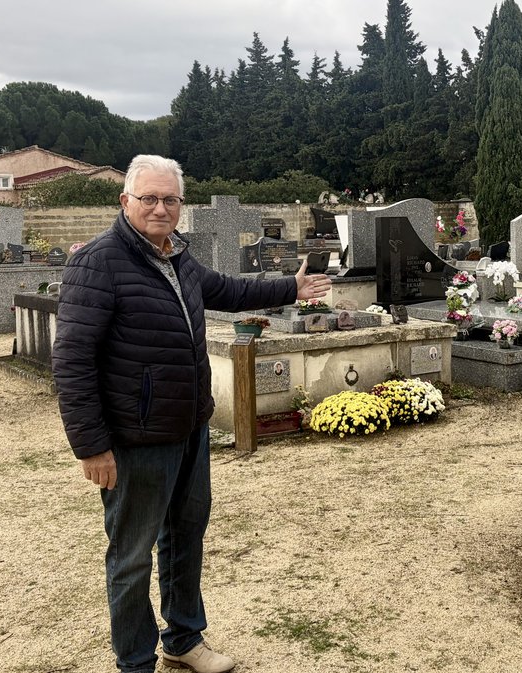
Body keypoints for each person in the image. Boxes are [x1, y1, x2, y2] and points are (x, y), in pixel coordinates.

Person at [52, 155, 331, 673]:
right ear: (126, 202)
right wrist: (91, 446)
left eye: (170, 199)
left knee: (185, 537)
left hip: (188, 428)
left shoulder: (178, 255)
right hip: (135, 438)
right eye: (149, 198)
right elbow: (71, 360)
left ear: (181, 206)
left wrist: (290, 289)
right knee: (132, 557)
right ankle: (136, 662)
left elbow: (229, 290)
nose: (160, 208)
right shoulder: (98, 261)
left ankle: (183, 638)